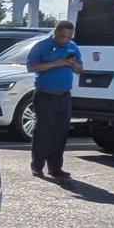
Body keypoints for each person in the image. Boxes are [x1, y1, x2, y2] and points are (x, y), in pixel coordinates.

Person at [25, 20, 84, 179]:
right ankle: (37, 166)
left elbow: (80, 70)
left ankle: (55, 168)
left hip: (64, 96)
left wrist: (72, 65)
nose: (66, 40)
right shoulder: (42, 46)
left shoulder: (73, 47)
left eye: (69, 37)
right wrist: (56, 63)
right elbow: (31, 67)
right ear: (56, 33)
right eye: (63, 36)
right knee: (43, 131)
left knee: (61, 132)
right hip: (45, 95)